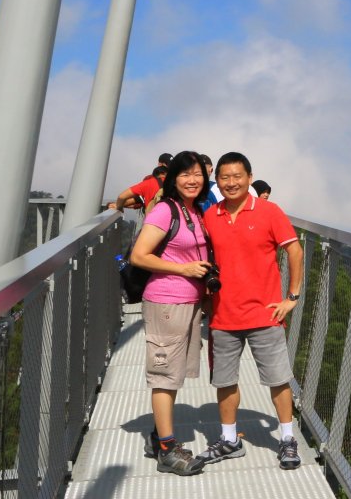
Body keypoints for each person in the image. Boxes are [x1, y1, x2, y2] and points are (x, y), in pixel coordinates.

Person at [199, 152, 304, 470]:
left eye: (237, 176)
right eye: (224, 177)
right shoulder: (210, 216)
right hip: (223, 313)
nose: (231, 183)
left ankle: (286, 438)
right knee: (224, 380)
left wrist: (292, 297)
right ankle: (230, 439)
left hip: (265, 312)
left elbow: (294, 249)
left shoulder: (270, 211)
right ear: (217, 180)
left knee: (278, 378)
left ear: (249, 177)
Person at [129, 151, 213, 476]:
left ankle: (159, 436)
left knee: (173, 374)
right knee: (165, 376)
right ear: (173, 178)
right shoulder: (165, 211)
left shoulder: (192, 211)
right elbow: (139, 255)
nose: (192, 180)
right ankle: (166, 450)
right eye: (185, 174)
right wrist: (184, 268)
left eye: (198, 174)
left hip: (188, 304)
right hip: (166, 303)